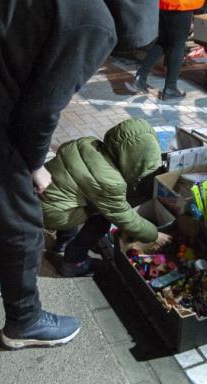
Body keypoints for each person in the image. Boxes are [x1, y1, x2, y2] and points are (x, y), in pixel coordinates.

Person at [0, 0, 158, 350]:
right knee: (24, 223)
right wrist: (35, 165)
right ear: (134, 24)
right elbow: (43, 108)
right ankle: (24, 321)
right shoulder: (97, 25)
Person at [41, 118, 172, 277]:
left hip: (39, 196)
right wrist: (155, 235)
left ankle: (63, 242)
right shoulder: (110, 182)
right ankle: (73, 262)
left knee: (75, 197)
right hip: (52, 213)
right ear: (134, 161)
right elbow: (125, 218)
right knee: (102, 219)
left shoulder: (88, 143)